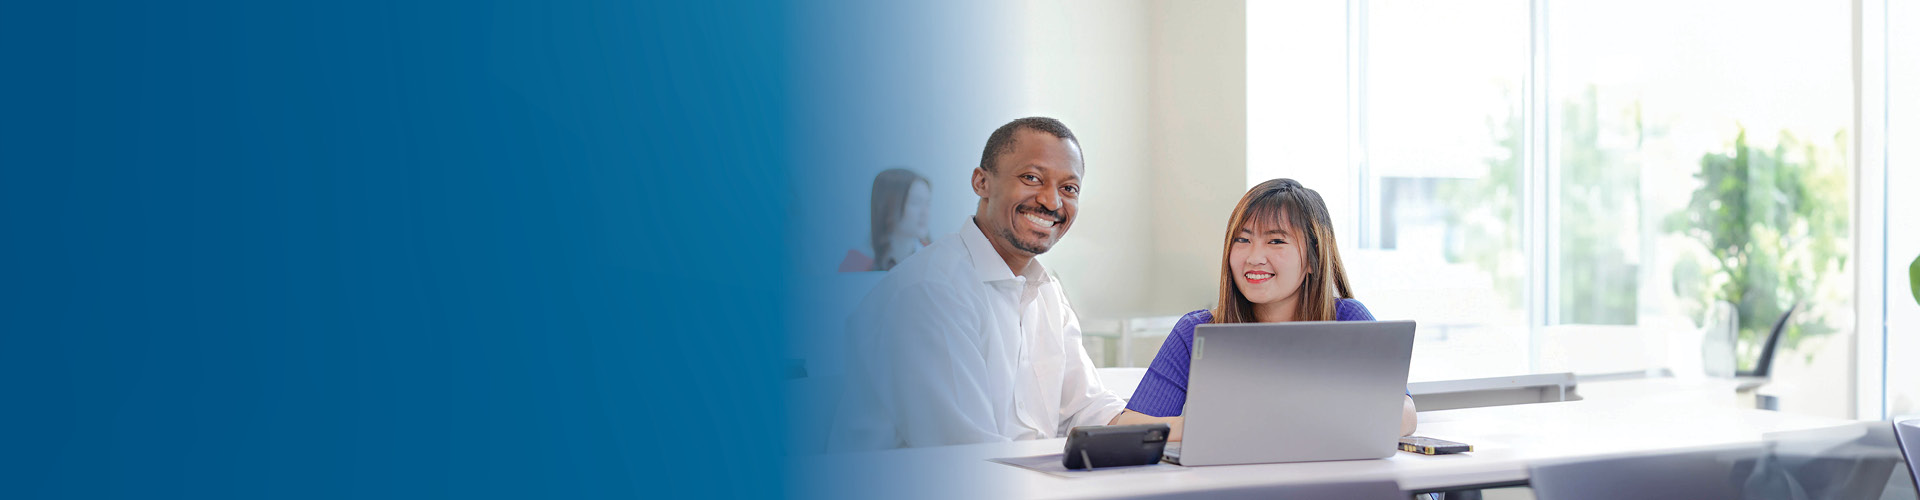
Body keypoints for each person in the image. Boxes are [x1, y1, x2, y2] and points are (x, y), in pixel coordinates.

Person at [830, 117, 1174, 450]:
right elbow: (968, 455)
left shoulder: (1045, 292)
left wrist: (1187, 430)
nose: (1052, 202)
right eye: (1032, 178)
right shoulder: (931, 291)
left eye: (1068, 188)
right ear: (982, 183)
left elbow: (1087, 410)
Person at [1118, 178, 1418, 438]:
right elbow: (1130, 425)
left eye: (1275, 241)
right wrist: (1220, 426)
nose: (1254, 257)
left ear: (1313, 259)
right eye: (1242, 239)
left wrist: (1293, 421)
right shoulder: (1197, 330)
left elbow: (1405, 415)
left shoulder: (1347, 319)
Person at [868, 168, 932, 271]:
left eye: (927, 203)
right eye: (915, 202)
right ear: (888, 207)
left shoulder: (935, 258)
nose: (925, 213)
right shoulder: (857, 263)